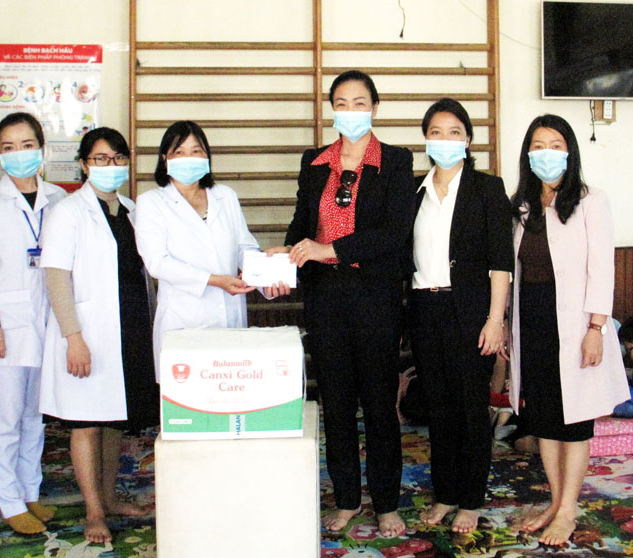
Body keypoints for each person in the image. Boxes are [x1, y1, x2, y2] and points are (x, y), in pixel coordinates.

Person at [267, 70, 414, 536]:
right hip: (326, 298)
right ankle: (347, 498)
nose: (351, 111)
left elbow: (394, 233)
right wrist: (285, 256)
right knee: (336, 403)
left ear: (375, 107)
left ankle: (386, 503)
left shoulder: (395, 161)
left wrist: (330, 248)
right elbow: (302, 223)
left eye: (360, 102)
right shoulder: (315, 161)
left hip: (375, 298)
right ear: (332, 108)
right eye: (342, 103)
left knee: (379, 405)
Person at [508, 114, 628, 546]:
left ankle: (569, 510)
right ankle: (555, 502)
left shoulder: (591, 200)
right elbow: (514, 272)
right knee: (544, 420)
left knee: (574, 421)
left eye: (555, 145)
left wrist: (597, 326)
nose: (547, 153)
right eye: (538, 146)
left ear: (569, 151)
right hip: (532, 322)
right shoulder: (521, 206)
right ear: (528, 154)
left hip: (577, 325)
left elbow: (602, 269)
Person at [39, 127, 160, 543]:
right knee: (86, 423)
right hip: (87, 331)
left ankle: (109, 497)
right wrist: (73, 336)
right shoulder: (68, 211)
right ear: (84, 164)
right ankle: (93, 510)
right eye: (101, 159)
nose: (111, 166)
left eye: (118, 158)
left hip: (129, 328)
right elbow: (56, 277)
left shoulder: (131, 210)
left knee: (113, 421)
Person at [407, 98, 513, 533]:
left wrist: (495, 319)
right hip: (424, 309)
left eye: (454, 132)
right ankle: (445, 493)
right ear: (425, 139)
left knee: (470, 409)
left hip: (470, 312)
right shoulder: (413, 191)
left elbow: (501, 262)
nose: (445, 139)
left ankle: (470, 500)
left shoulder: (487, 189)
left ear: (468, 139)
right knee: (438, 409)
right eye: (436, 131)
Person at [0, 112, 66, 534]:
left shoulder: (58, 198)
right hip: (5, 325)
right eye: (8, 148)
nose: (19, 154)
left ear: (41, 149)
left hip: (48, 322)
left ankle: (30, 491)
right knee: (5, 421)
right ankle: (9, 501)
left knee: (34, 417)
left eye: (27, 145)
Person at [134, 120, 288, 376]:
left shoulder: (225, 195)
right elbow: (157, 263)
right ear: (164, 158)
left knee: (229, 388)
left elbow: (244, 247)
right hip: (183, 321)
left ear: (207, 156)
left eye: (196, 151)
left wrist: (266, 281)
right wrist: (215, 280)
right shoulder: (151, 202)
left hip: (230, 317)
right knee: (188, 395)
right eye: (179, 152)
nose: (189, 158)